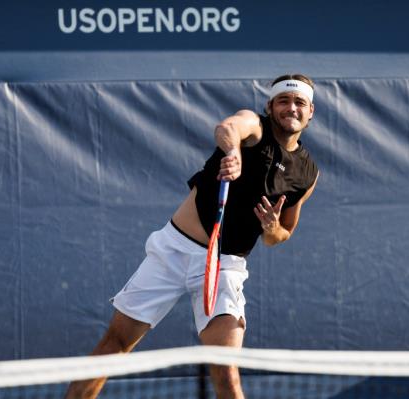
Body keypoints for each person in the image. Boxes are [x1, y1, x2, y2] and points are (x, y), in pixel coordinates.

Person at [65, 73, 319, 399]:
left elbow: (282, 234)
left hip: (224, 267)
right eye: (283, 100)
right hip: (174, 251)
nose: (291, 108)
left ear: (310, 111)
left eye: (299, 102)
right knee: (115, 345)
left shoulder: (308, 174)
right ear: (270, 106)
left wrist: (271, 229)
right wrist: (234, 153)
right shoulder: (254, 126)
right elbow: (228, 128)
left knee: (226, 371)